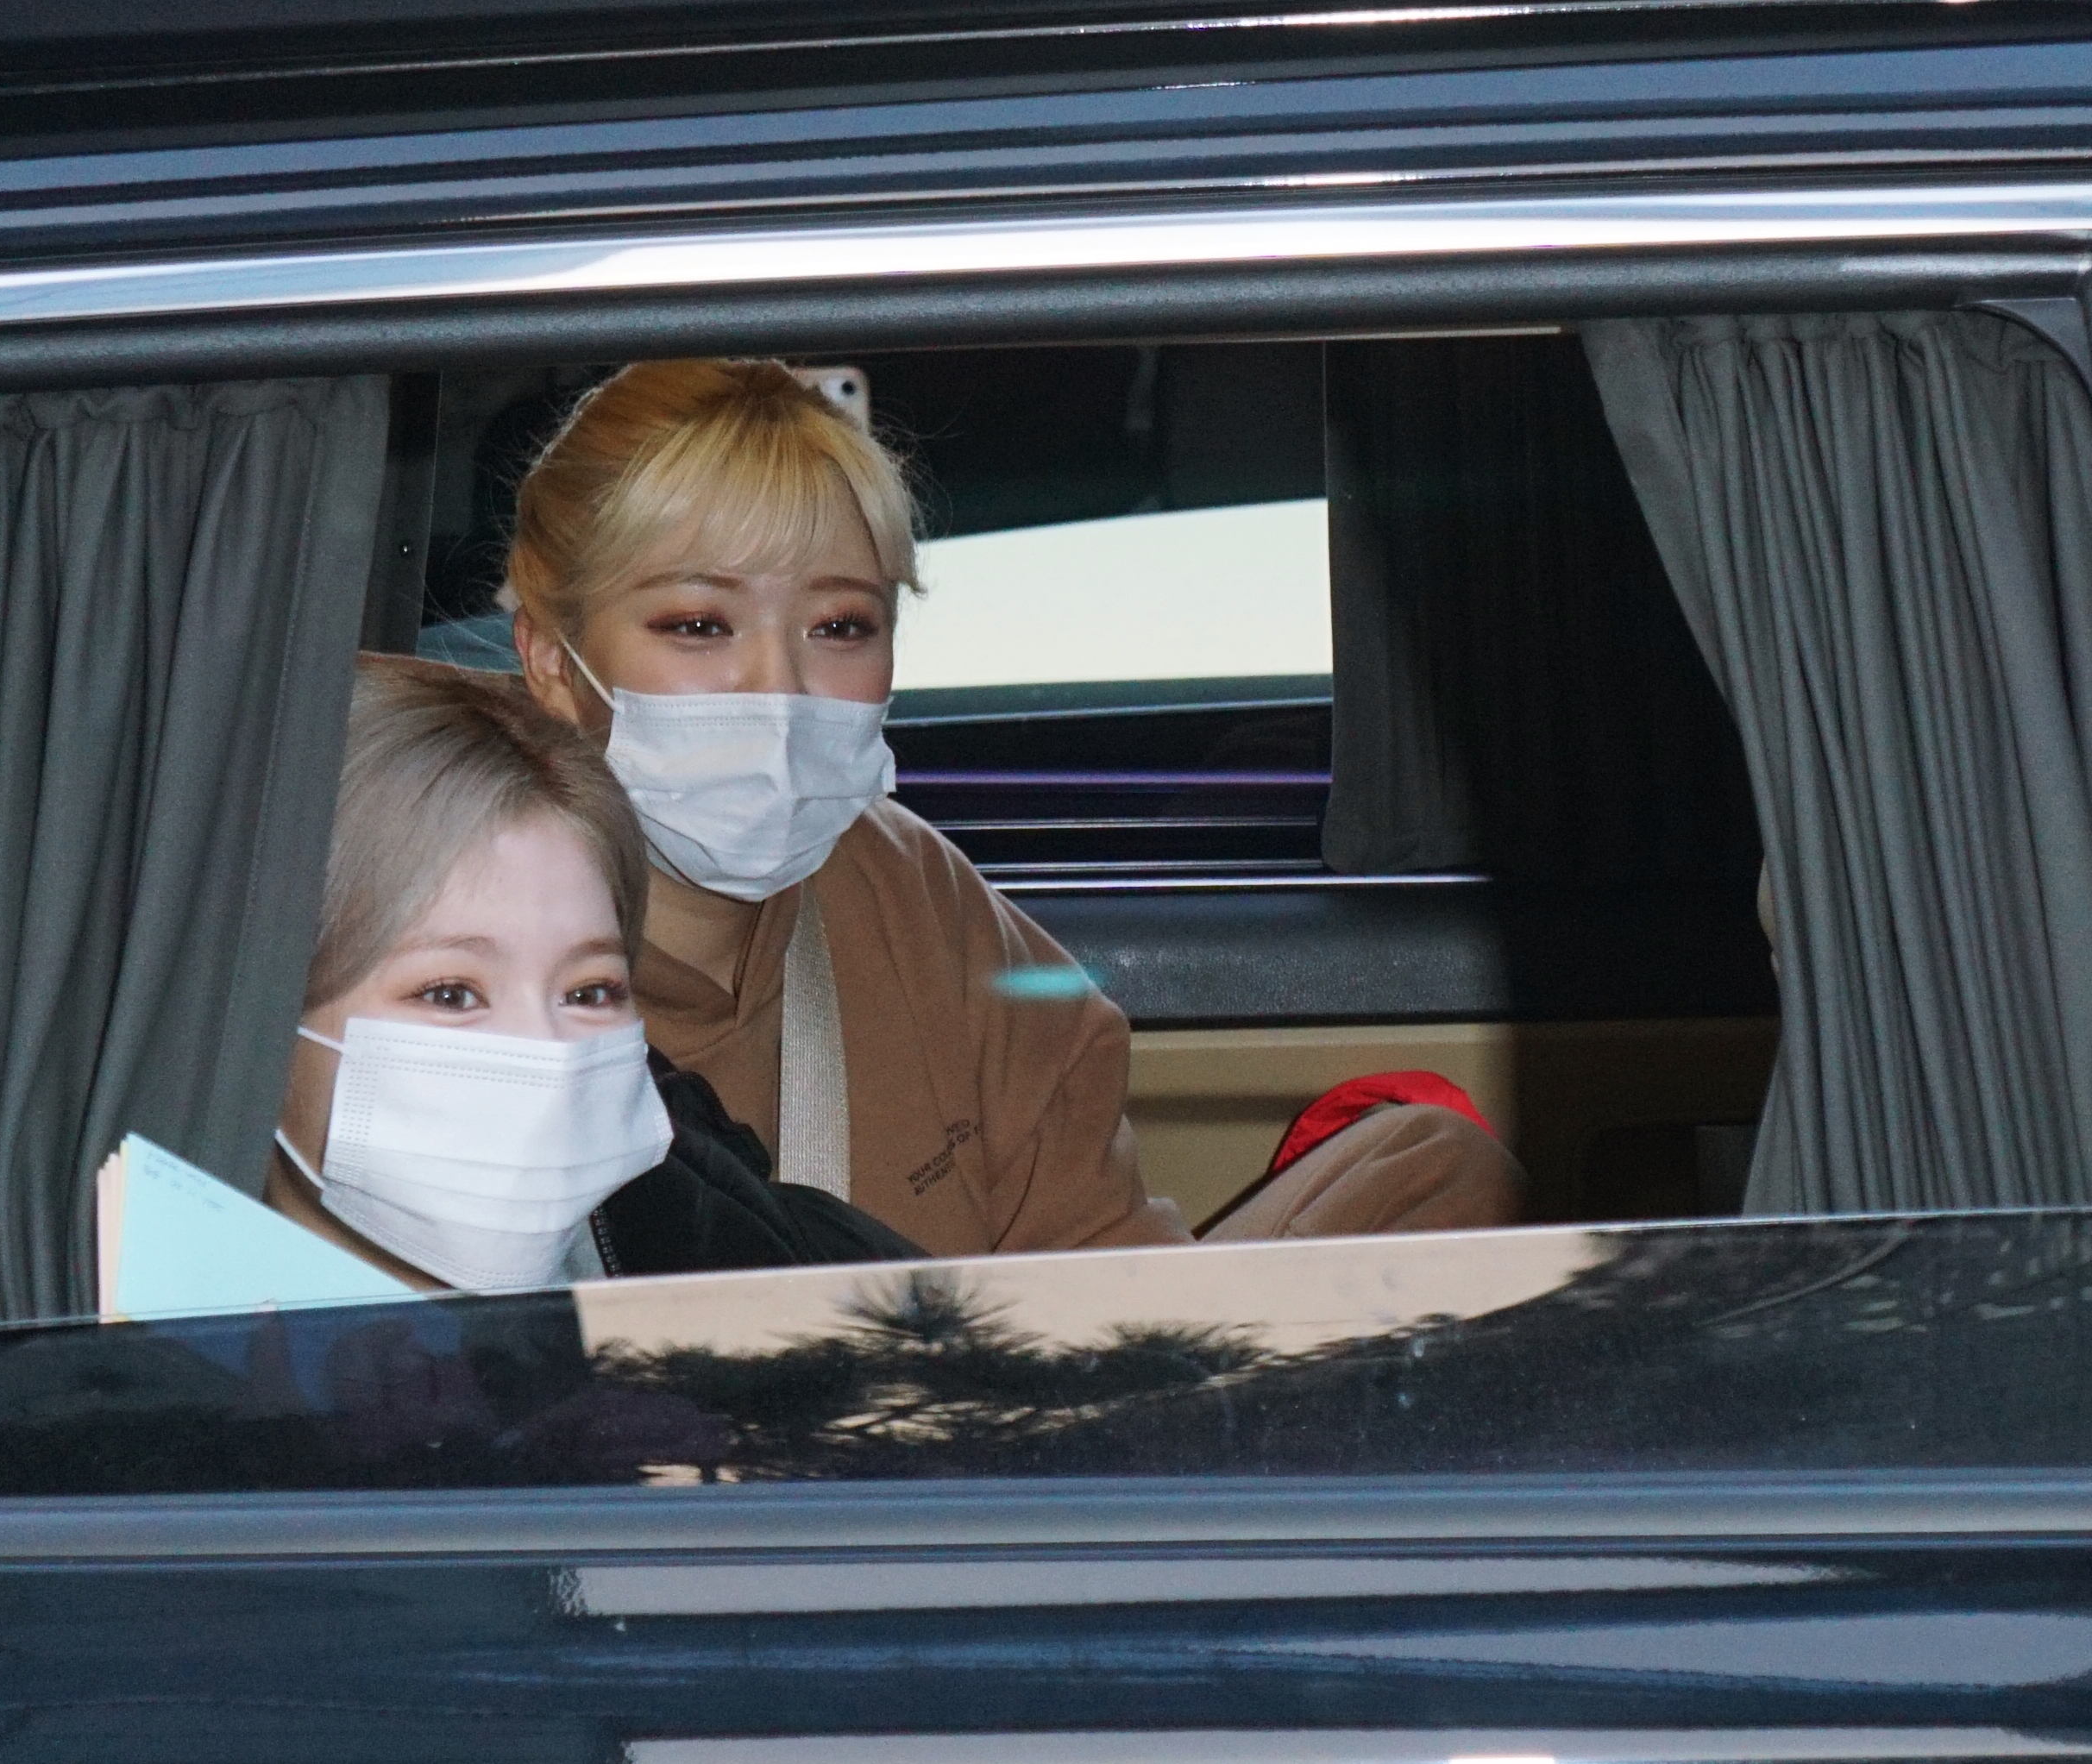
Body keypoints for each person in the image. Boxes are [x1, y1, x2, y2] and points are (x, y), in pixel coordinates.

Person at [499, 358, 1520, 1257]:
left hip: (987, 1400)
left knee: (1438, 1168)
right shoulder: (459, 954)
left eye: (840, 625)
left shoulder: (910, 893)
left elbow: (1096, 1274)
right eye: (698, 624)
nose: (781, 688)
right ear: (551, 660)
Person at [267, 653, 920, 1291]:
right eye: (450, 994)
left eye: (589, 991)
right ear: (259, 1015)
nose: (549, 1057)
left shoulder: (782, 1278)